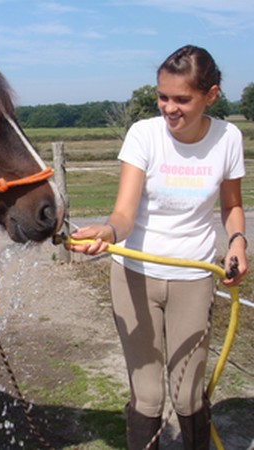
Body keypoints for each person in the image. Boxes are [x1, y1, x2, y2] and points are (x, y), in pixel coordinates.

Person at [66, 45, 248, 449]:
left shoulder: (228, 138)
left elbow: (232, 206)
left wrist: (237, 241)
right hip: (135, 278)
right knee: (148, 396)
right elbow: (124, 214)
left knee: (188, 395)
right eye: (162, 97)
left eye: (182, 99)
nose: (169, 108)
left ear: (211, 95)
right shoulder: (143, 135)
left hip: (195, 278)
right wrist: (110, 233)